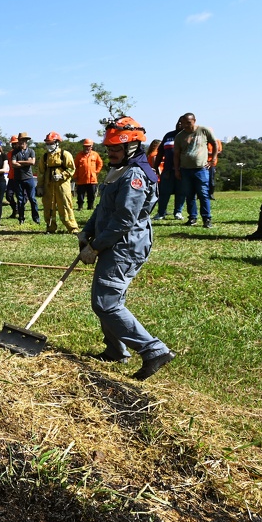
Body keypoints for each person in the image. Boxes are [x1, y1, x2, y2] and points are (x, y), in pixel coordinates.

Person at [78, 116, 174, 380]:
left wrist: (95, 246)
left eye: (116, 149)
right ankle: (115, 350)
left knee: (107, 303)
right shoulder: (118, 168)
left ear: (132, 147)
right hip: (111, 240)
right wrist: (87, 232)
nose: (110, 153)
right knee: (103, 299)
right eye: (108, 148)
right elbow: (103, 208)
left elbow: (124, 219)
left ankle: (154, 350)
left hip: (126, 245)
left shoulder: (134, 175)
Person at [173, 112, 217, 228]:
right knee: (189, 195)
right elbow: (176, 154)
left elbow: (214, 143)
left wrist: (213, 159)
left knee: (203, 194)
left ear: (194, 121)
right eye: (183, 123)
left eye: (188, 123)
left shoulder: (203, 130)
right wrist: (177, 170)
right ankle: (192, 217)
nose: (186, 125)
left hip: (201, 169)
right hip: (185, 169)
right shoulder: (179, 136)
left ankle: (207, 219)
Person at [38, 132, 79, 234]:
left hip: (62, 185)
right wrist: (40, 186)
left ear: (57, 142)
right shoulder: (44, 157)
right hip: (48, 185)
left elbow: (72, 169)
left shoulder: (65, 154)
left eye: (50, 143)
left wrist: (62, 175)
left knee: (65, 205)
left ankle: (72, 228)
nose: (48, 145)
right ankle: (50, 228)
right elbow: (41, 173)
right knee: (48, 206)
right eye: (47, 143)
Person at [152, 117, 184, 220]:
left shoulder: (187, 136)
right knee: (164, 192)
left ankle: (178, 212)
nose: (179, 124)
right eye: (178, 122)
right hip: (168, 170)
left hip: (183, 169)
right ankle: (161, 213)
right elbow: (160, 151)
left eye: (181, 122)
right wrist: (156, 166)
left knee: (180, 191)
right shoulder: (168, 135)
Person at [11, 132, 41, 226]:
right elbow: (13, 164)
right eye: (20, 140)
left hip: (29, 178)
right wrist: (26, 162)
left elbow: (32, 162)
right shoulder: (15, 152)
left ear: (26, 141)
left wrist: (20, 162)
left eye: (23, 140)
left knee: (32, 199)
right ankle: (21, 218)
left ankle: (36, 218)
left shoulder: (31, 151)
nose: (22, 142)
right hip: (18, 179)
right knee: (20, 200)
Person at [74, 138, 103, 211]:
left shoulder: (95, 154)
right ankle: (80, 207)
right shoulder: (79, 155)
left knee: (91, 194)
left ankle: (90, 206)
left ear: (91, 147)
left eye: (88, 146)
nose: (86, 148)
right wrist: (75, 176)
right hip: (81, 179)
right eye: (85, 146)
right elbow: (74, 166)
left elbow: (100, 163)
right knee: (80, 195)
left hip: (92, 179)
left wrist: (96, 171)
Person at [5, 135, 20, 218]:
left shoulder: (22, 153)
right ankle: (15, 209)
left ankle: (19, 211)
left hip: (21, 178)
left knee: (22, 197)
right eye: (12, 144)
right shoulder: (9, 154)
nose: (14, 145)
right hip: (11, 177)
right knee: (8, 195)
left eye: (15, 143)